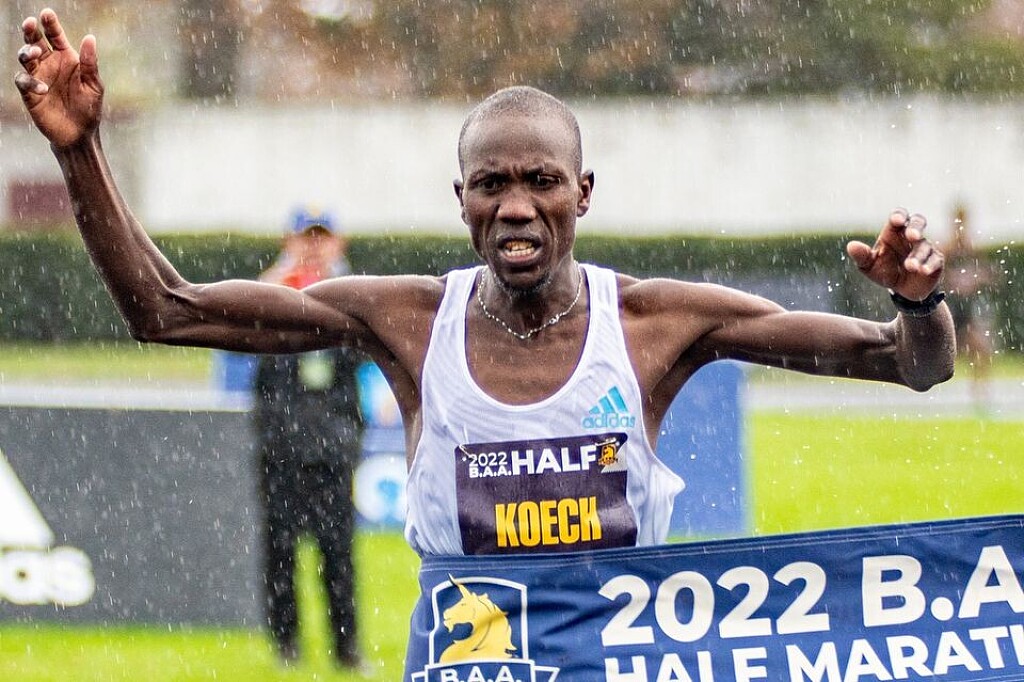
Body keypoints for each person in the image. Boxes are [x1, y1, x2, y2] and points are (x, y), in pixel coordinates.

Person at [14, 4, 954, 663]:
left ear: (583, 194)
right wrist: (80, 150)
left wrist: (918, 305)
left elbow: (910, 365)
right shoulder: (409, 320)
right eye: (492, 185)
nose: (516, 206)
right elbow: (165, 309)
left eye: (542, 182)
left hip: (619, 661)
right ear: (459, 198)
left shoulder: (655, 321)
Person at [251, 207, 365, 668]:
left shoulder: (350, 295)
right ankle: (287, 646)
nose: (314, 248)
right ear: (289, 241)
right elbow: (242, 328)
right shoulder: (273, 293)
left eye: (322, 238)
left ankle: (346, 649)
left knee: (338, 554)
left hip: (332, 448)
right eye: (306, 238)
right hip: (280, 448)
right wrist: (281, 278)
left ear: (338, 243)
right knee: (279, 552)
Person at [944, 203, 996, 410]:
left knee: (981, 349)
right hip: (950, 308)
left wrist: (978, 278)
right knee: (943, 353)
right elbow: (937, 275)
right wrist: (954, 281)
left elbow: (987, 274)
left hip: (966, 309)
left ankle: (980, 395)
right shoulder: (946, 248)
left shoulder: (972, 248)